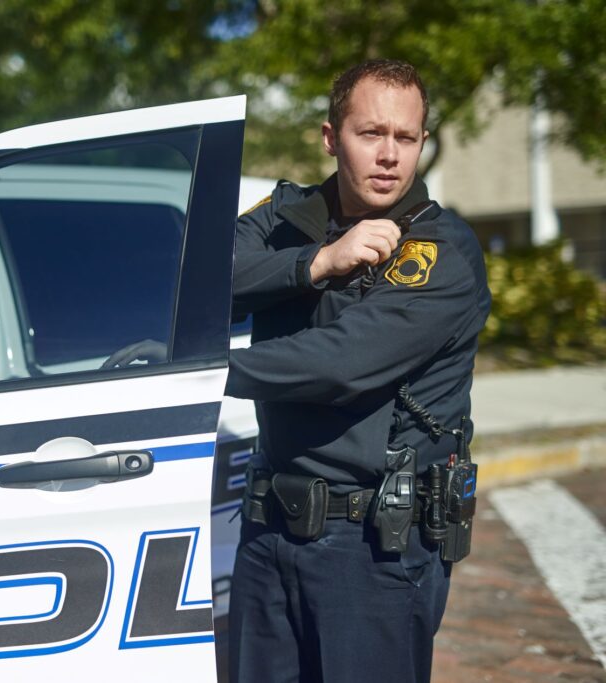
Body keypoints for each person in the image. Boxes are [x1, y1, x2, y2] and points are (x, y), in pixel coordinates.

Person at [224, 60, 491, 683]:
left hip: (372, 548)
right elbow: (203, 282)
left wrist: (205, 372)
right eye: (371, 133)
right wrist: (312, 264)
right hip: (268, 530)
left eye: (407, 137)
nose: (390, 155)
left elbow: (339, 364)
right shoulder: (289, 215)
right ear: (329, 137)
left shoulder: (440, 252)